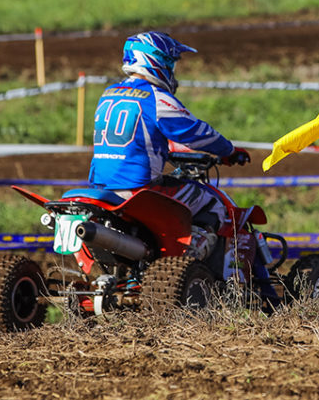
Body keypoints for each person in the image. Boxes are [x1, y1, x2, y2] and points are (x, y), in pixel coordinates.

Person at [88, 31, 250, 259]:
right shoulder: (155, 97)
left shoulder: (108, 95)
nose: (172, 69)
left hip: (100, 188)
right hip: (139, 189)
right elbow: (196, 132)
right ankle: (186, 265)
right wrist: (229, 151)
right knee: (212, 202)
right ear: (156, 60)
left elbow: (141, 135)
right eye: (170, 62)